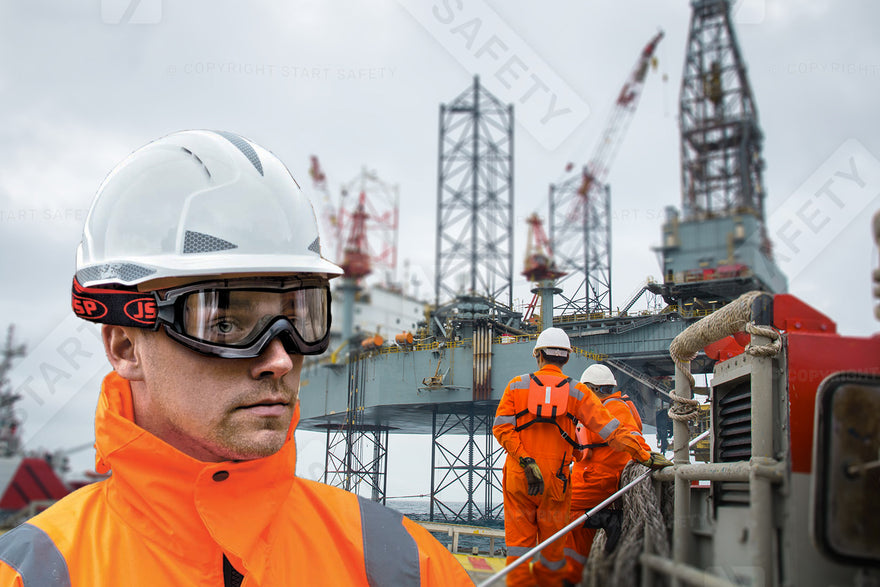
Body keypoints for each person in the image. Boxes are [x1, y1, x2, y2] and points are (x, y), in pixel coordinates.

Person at [0, 130, 473, 586]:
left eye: (299, 318)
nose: (281, 360)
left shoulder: (405, 564)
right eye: (224, 324)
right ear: (126, 348)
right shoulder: (34, 573)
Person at [492, 328, 671, 587]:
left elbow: (501, 428)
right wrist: (644, 455)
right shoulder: (578, 392)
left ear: (538, 355)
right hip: (556, 484)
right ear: (566, 358)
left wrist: (525, 460)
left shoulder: (516, 385)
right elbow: (614, 433)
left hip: (520, 479)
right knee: (554, 553)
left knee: (519, 551)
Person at [562, 363, 656, 586]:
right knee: (575, 527)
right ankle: (579, 573)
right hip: (597, 476)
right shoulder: (612, 405)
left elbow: (630, 437)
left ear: (592, 389)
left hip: (600, 480)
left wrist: (644, 455)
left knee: (558, 510)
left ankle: (606, 521)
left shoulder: (612, 408)